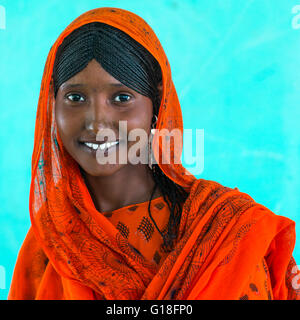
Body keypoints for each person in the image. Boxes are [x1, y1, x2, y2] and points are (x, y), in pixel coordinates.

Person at [8, 7, 300, 300]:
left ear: (156, 104)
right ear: (52, 105)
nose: (96, 121)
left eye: (122, 98)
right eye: (75, 97)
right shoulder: (51, 243)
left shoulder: (227, 233)